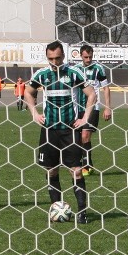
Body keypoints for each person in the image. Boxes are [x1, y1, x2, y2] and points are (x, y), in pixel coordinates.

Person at [25, 41, 96, 224]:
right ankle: (57, 208)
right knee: (52, 172)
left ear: (63, 56)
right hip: (49, 130)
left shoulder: (73, 73)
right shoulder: (42, 74)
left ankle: (82, 212)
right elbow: (28, 92)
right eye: (50, 59)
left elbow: (92, 95)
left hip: (69, 129)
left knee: (77, 171)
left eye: (57, 58)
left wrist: (85, 118)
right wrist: (34, 113)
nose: (54, 62)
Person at [77, 44, 112, 176]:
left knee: (85, 135)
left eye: (90, 57)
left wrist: (107, 108)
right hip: (77, 107)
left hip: (93, 108)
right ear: (81, 56)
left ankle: (86, 166)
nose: (88, 59)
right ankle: (84, 162)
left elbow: (106, 88)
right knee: (78, 137)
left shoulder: (98, 68)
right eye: (86, 57)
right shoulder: (76, 69)